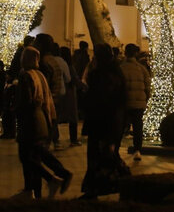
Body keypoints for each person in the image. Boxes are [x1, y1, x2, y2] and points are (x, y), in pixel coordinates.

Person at [14, 46, 72, 200]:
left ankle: (52, 180)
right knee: (37, 155)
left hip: (30, 120)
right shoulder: (39, 75)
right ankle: (35, 191)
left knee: (27, 156)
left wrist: (15, 109)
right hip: (42, 118)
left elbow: (26, 101)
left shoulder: (26, 76)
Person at [81, 44, 129, 199]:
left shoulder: (102, 76)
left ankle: (100, 188)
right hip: (110, 123)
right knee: (106, 156)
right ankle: (96, 189)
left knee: (102, 157)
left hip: (102, 123)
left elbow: (100, 101)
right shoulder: (115, 73)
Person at [119, 43, 151, 161]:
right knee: (138, 127)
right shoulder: (142, 69)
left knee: (121, 127)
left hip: (125, 103)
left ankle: (116, 149)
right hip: (139, 103)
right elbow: (148, 87)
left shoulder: (121, 68)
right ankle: (137, 150)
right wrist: (145, 98)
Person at [59, 46, 84, 146]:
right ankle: (73, 140)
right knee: (73, 117)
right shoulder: (69, 66)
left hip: (60, 92)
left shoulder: (58, 63)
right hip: (69, 93)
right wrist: (84, 86)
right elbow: (73, 79)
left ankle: (56, 140)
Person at [0, 70, 17, 139]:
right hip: (6, 104)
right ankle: (6, 133)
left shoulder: (13, 85)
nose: (6, 76)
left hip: (10, 105)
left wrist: (12, 104)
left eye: (8, 75)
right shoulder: (6, 84)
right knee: (5, 120)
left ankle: (11, 133)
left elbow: (13, 95)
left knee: (11, 120)